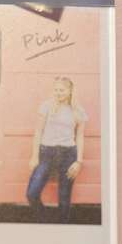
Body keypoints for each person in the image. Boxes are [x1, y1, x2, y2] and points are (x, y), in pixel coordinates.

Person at [26, 76, 86, 223]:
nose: (58, 93)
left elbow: (80, 137)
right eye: (56, 90)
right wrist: (34, 156)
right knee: (32, 193)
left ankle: (62, 226)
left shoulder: (78, 111)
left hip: (68, 154)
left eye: (61, 90)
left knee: (64, 198)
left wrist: (79, 162)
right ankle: (44, 219)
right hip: (46, 153)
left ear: (70, 91)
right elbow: (38, 132)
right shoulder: (46, 106)